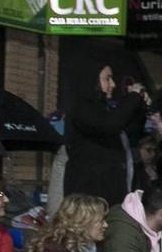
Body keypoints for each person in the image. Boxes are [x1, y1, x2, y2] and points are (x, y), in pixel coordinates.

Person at [63, 65, 151, 204]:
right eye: (107, 78)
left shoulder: (105, 110)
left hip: (112, 194)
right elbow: (109, 125)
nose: (113, 84)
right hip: (88, 200)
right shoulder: (81, 108)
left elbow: (130, 133)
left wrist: (140, 106)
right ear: (92, 80)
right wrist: (133, 98)